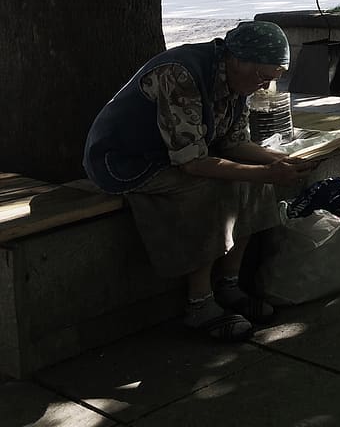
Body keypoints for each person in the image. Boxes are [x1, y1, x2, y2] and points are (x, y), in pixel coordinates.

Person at [83, 20, 318, 342]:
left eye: (272, 79)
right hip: (126, 160)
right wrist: (264, 172)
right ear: (237, 60)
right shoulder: (181, 74)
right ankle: (199, 304)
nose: (264, 87)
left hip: (178, 154)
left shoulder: (240, 81)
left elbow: (236, 144)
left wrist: (279, 162)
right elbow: (192, 163)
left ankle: (230, 285)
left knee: (254, 183)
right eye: (263, 77)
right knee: (207, 189)